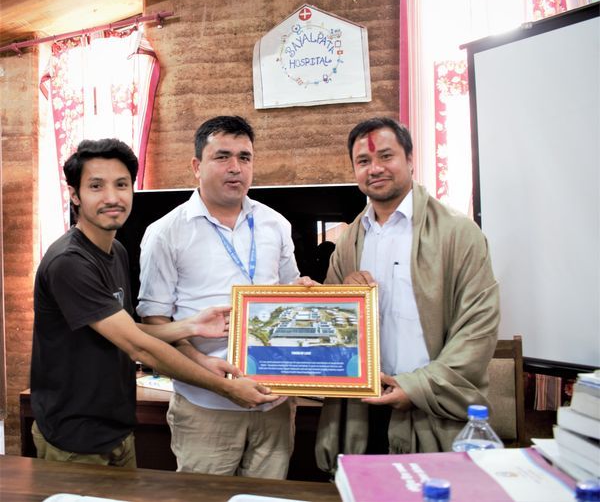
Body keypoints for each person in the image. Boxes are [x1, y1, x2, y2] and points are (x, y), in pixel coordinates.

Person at [30, 138, 278, 468]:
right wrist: (225, 387)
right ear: (75, 195)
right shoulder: (69, 262)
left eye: (121, 185)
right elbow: (139, 348)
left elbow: (128, 329)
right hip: (73, 435)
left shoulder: (115, 250)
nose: (112, 197)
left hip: (116, 427)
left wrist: (190, 326)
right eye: (96, 186)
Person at [315, 117, 500, 473]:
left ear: (411, 159)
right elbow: (331, 332)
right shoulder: (348, 241)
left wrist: (416, 387)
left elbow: (478, 329)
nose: (375, 168)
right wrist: (337, 299)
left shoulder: (458, 233)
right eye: (364, 161)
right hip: (361, 414)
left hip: (430, 410)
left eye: (386, 156)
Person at [137, 116, 313, 479]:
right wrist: (202, 364)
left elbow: (289, 298)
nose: (236, 167)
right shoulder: (165, 233)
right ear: (196, 166)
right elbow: (154, 322)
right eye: (222, 157)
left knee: (268, 498)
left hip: (274, 402)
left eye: (244, 157)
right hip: (206, 404)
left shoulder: (275, 224)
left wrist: (309, 296)